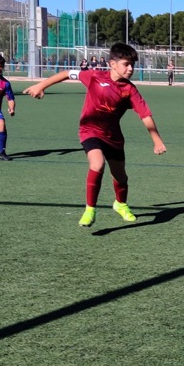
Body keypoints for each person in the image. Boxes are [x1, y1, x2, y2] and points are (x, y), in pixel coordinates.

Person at [22, 42, 167, 227]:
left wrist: (157, 140)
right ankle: (90, 210)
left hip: (113, 137)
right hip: (89, 130)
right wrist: (41, 85)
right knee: (97, 164)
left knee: (120, 176)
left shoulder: (130, 90)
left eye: (132, 65)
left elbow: (145, 115)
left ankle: (120, 204)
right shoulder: (94, 76)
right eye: (126, 64)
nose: (131, 68)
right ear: (112, 64)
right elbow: (67, 73)